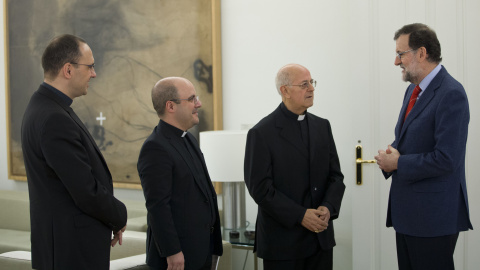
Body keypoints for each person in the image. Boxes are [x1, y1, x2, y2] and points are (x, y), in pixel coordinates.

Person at [21, 34, 127, 270]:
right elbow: (84, 190)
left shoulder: (44, 107)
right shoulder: (54, 117)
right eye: (90, 66)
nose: (94, 74)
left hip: (64, 246)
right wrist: (119, 215)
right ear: (68, 70)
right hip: (70, 251)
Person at [374, 23, 473, 270]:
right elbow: (408, 139)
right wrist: (391, 152)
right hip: (408, 215)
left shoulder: (451, 93)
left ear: (421, 53)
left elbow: (447, 159)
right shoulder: (412, 90)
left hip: (433, 219)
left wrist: (397, 163)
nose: (397, 62)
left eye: (400, 54)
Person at [244, 64, 345, 270]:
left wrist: (328, 207)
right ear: (285, 91)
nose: (311, 88)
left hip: (320, 239)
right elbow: (260, 189)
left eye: (312, 82)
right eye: (304, 84)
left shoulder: (322, 126)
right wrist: (300, 215)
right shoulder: (262, 133)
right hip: (283, 243)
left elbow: (336, 177)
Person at [137, 77, 223, 270]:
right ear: (171, 106)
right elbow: (158, 206)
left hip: (201, 250)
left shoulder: (189, 138)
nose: (198, 104)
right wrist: (172, 251)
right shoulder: (155, 147)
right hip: (177, 258)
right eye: (192, 99)